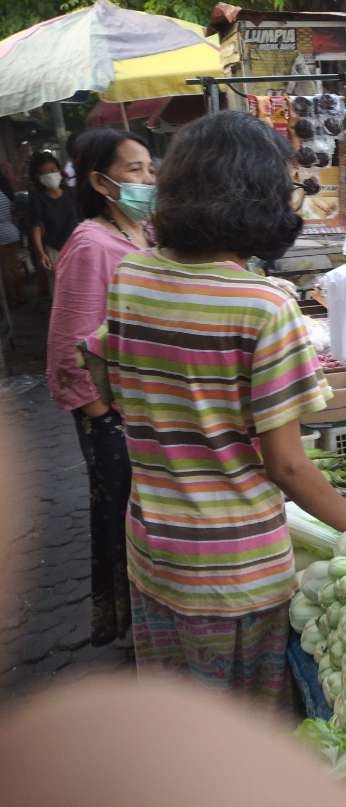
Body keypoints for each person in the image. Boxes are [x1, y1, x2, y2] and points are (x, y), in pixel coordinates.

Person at [85, 110, 346, 704]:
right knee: (246, 731)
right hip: (234, 570)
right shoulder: (263, 306)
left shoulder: (132, 273)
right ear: (261, 195)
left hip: (154, 549)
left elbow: (109, 385)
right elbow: (288, 466)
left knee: (178, 722)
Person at [46, 128, 157, 646]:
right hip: (110, 416)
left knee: (149, 520)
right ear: (101, 182)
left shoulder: (145, 233)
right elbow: (69, 344)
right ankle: (132, 628)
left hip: (144, 409)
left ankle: (155, 621)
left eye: (150, 169)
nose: (147, 179)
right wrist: (101, 417)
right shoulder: (90, 245)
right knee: (120, 518)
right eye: (135, 170)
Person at [28, 150, 80, 293]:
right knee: (62, 288)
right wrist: (41, 253)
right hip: (55, 250)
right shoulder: (38, 199)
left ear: (59, 170)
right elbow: (36, 227)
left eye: (53, 170)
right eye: (45, 172)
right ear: (39, 177)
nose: (51, 174)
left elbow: (83, 218)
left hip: (78, 246)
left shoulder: (71, 192)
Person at [0, 175, 23, 307]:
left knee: (5, 270)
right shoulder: (5, 196)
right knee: (15, 267)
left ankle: (12, 300)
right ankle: (21, 296)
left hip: (1, 236)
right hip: (12, 232)